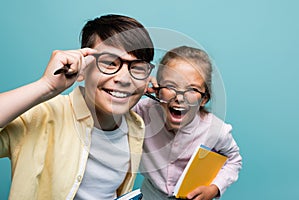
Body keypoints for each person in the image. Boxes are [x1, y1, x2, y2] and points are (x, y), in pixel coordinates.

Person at [0, 14, 154, 200]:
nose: (123, 79)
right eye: (108, 63)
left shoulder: (136, 126)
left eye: (137, 67)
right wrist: (46, 86)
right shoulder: (43, 115)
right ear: (83, 70)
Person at [133, 46, 242, 200]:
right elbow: (112, 115)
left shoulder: (216, 130)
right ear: (157, 90)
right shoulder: (143, 111)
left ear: (204, 99)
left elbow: (234, 159)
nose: (179, 98)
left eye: (192, 89)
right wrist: (135, 90)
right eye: (170, 86)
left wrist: (214, 188)